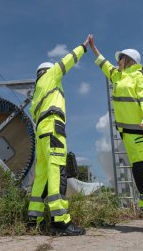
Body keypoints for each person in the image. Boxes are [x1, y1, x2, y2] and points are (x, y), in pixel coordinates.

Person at [88, 35, 143, 233]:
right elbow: (105, 66)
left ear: (128, 60)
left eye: (120, 59)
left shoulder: (139, 77)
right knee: (141, 174)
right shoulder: (119, 76)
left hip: (139, 133)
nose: (117, 62)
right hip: (129, 135)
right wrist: (94, 49)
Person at [27, 35, 90, 236]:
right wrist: (83, 47)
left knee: (42, 177)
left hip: (41, 135)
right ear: (47, 71)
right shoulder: (51, 77)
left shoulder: (36, 94)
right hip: (54, 129)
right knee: (57, 173)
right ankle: (60, 221)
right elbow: (67, 61)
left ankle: (33, 220)